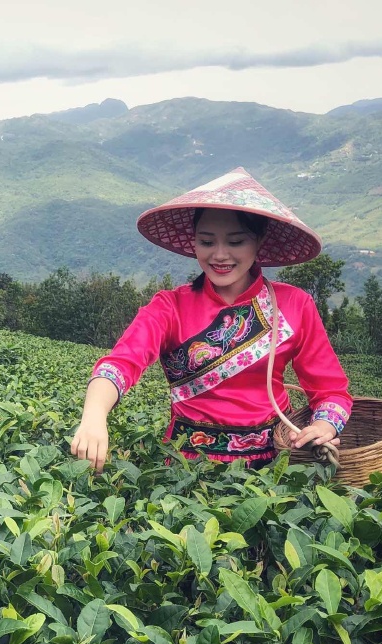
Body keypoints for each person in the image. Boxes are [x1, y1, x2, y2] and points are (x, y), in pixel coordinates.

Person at [71, 167, 351, 471]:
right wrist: (94, 416)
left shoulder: (294, 304)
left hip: (276, 465)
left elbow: (331, 391)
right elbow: (121, 364)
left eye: (235, 242)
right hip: (188, 468)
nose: (219, 255)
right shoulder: (170, 307)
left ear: (258, 241)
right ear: (193, 243)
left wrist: (325, 425)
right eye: (206, 242)